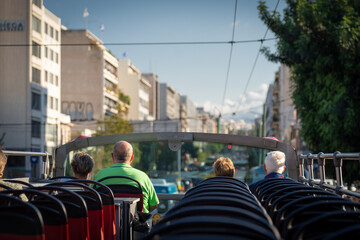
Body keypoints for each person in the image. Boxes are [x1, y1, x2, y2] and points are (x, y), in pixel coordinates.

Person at [94, 141, 159, 213]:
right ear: (132, 157)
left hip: (106, 223)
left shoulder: (99, 175)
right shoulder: (143, 177)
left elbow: (92, 199)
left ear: (112, 156)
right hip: (136, 223)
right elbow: (153, 205)